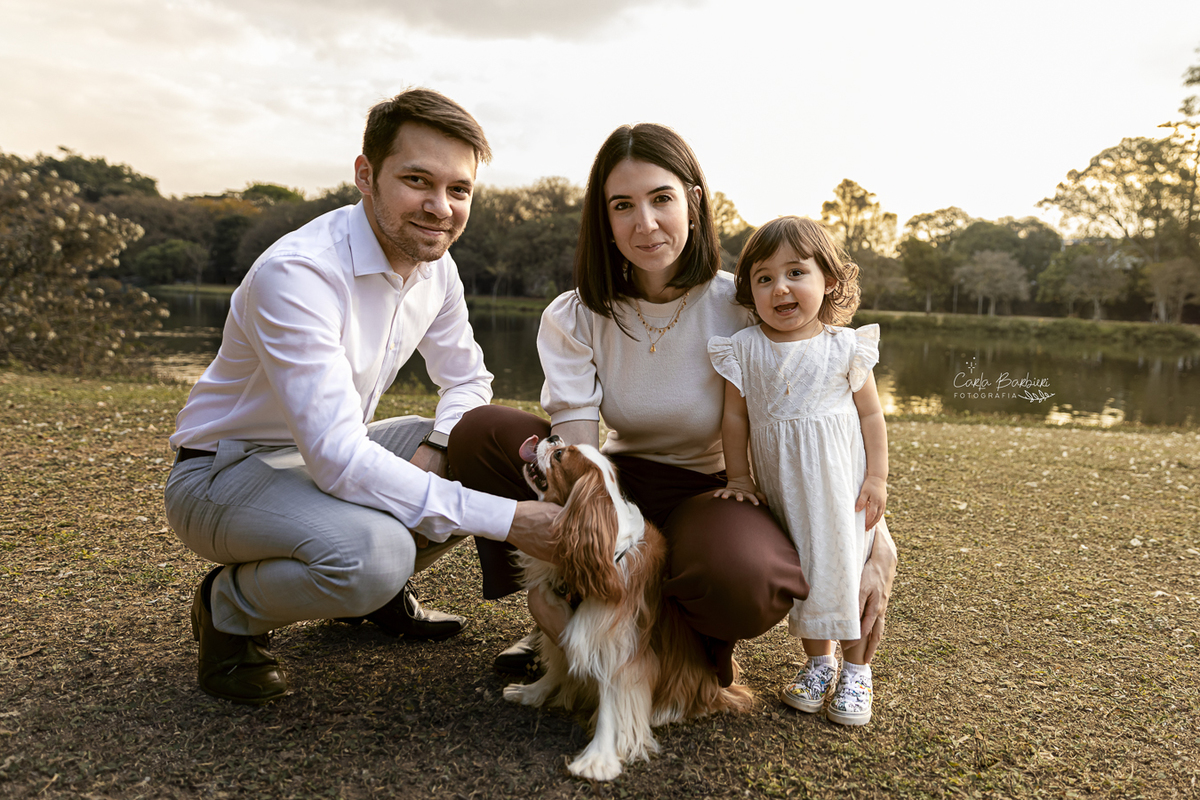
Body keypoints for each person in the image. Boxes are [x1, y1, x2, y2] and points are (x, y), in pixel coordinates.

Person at [449, 123, 897, 687]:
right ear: (604, 221)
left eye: (661, 198)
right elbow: (580, 444)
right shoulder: (575, 315)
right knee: (481, 431)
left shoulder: (746, 304)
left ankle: (683, 635)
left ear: (693, 201)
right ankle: (565, 613)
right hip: (615, 478)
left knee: (748, 574)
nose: (646, 222)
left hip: (709, 491)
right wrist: (590, 519)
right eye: (622, 205)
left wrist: (874, 542)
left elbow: (831, 419)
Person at [165, 88, 559, 705]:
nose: (440, 208)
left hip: (328, 452)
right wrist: (511, 520)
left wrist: (436, 444)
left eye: (459, 190)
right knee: (375, 555)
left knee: (492, 441)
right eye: (417, 181)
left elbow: (469, 382)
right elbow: (338, 459)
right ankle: (228, 609)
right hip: (225, 473)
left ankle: (369, 602)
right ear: (365, 176)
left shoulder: (438, 267)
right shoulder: (298, 273)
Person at [707, 216, 889, 726]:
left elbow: (872, 416)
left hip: (839, 490)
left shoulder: (845, 346)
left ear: (827, 280)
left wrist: (876, 477)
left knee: (846, 571)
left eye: (795, 273)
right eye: (763, 278)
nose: (779, 287)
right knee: (807, 576)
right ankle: (818, 662)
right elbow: (734, 419)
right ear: (750, 292)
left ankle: (857, 672)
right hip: (783, 488)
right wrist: (738, 477)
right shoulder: (742, 349)